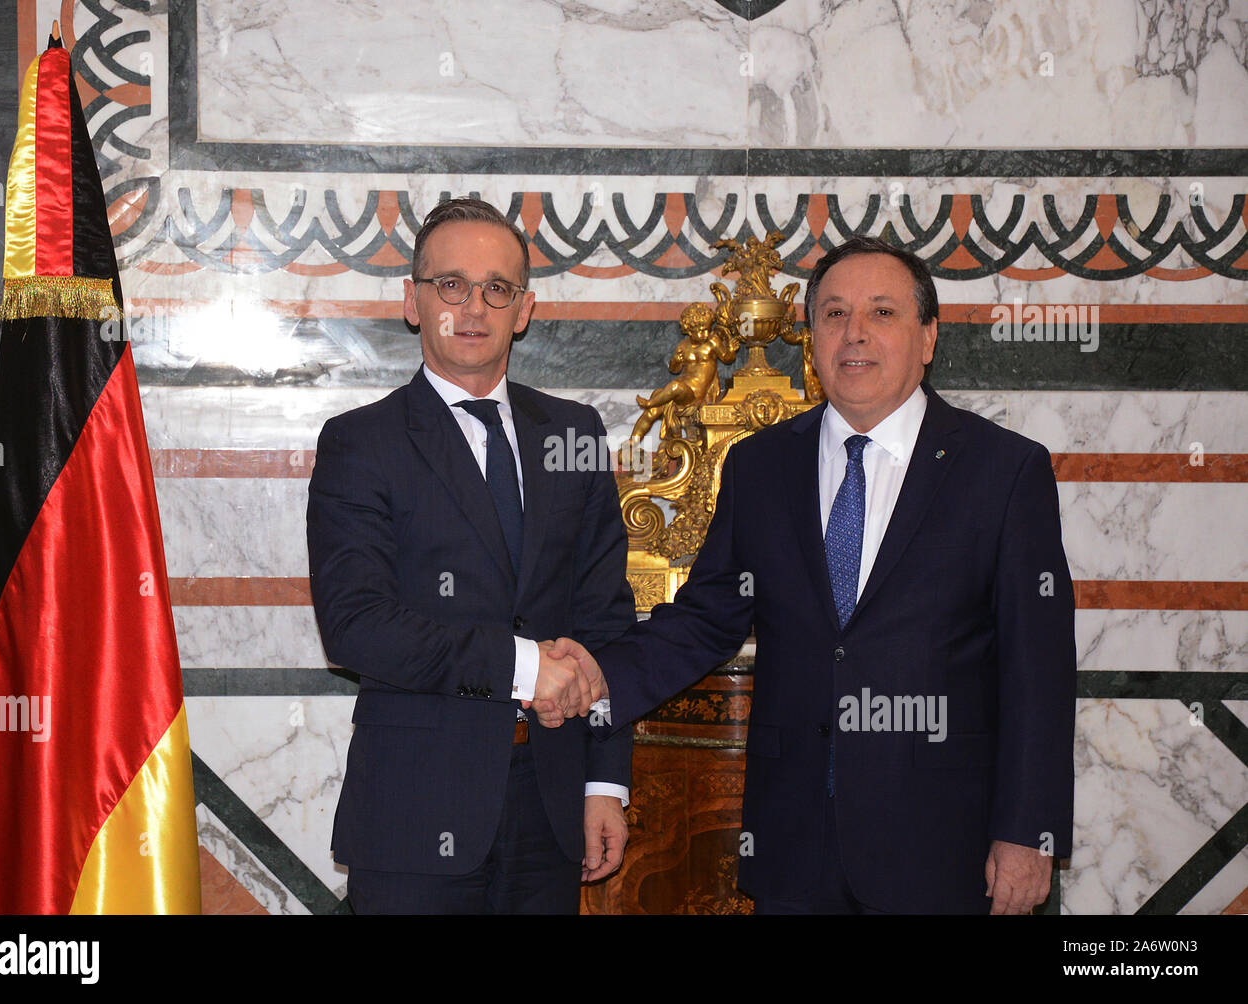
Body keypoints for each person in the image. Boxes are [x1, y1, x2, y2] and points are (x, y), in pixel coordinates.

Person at [544, 236, 1077, 915]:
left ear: (928, 337)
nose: (854, 333)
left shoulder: (1003, 472)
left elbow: (1040, 672)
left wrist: (1028, 832)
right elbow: (707, 619)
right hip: (794, 852)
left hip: (947, 852)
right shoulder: (761, 467)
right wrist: (595, 677)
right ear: (811, 337)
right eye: (832, 314)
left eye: (882, 313)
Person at [307, 197, 635, 914]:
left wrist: (604, 783)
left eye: (497, 288)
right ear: (412, 302)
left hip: (551, 811)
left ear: (523, 309)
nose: (473, 306)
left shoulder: (573, 432)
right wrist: (527, 667)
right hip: (415, 812)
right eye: (450, 285)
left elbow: (606, 622)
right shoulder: (362, 443)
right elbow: (356, 625)